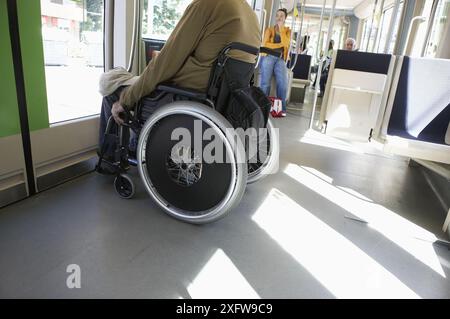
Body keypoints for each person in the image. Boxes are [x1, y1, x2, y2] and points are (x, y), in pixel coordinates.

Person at [98, 0, 261, 155]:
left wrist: (126, 99)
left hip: (186, 96)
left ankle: (111, 160)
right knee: (127, 80)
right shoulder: (250, 15)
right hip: (221, 99)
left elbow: (167, 60)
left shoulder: (207, 5)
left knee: (113, 92)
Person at [259, 8, 291, 117]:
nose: (279, 17)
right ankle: (263, 108)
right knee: (265, 83)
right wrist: (279, 45)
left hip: (280, 58)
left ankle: (281, 109)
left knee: (282, 83)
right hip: (268, 56)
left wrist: (281, 28)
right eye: (277, 15)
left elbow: (286, 43)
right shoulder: (269, 30)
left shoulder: (287, 31)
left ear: (285, 18)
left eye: (282, 15)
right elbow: (265, 45)